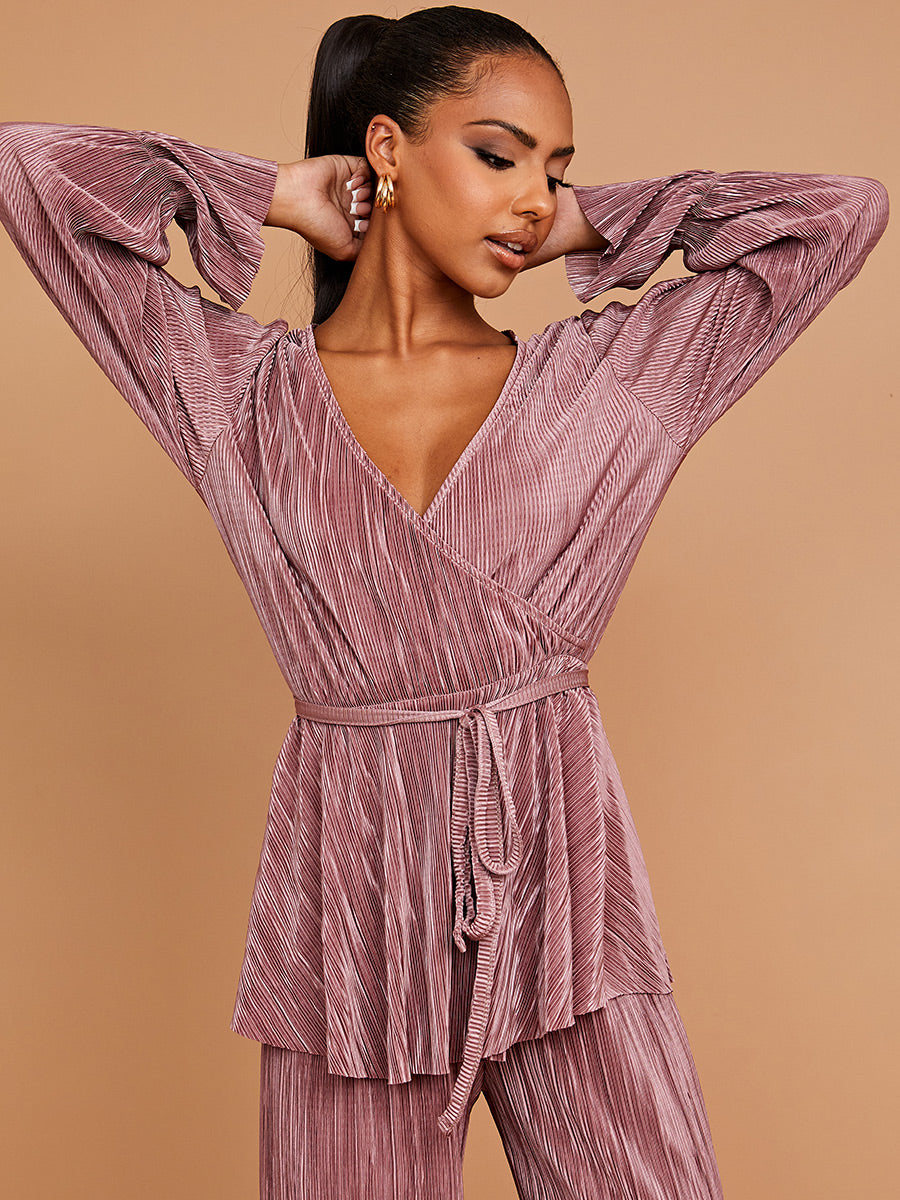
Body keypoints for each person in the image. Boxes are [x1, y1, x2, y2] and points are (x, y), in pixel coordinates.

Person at [0, 6, 889, 1199]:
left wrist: (585, 220)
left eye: (553, 169)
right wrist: (280, 193)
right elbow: (31, 172)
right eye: (497, 154)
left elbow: (840, 214)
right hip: (352, 907)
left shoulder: (614, 383)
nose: (530, 197)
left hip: (566, 893)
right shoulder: (237, 396)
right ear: (385, 148)